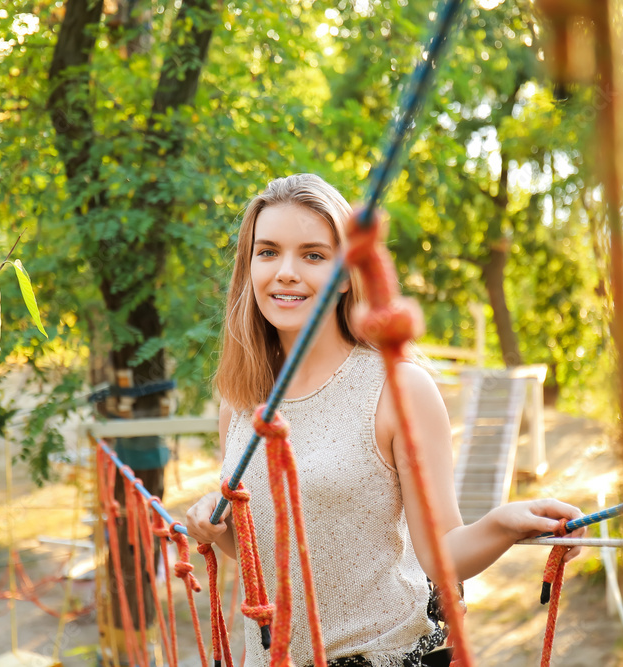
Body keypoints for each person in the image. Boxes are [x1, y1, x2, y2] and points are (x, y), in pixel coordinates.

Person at [185, 174, 585, 667]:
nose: (286, 272)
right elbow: (265, 550)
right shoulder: (241, 402)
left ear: (346, 272)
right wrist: (215, 524)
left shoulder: (398, 389)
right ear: (248, 268)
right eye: (267, 252)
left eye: (313, 255)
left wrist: (502, 524)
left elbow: (441, 553)